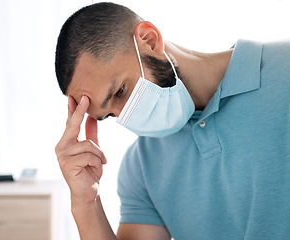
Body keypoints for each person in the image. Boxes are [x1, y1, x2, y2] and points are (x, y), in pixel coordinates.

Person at [54, 2, 290, 240]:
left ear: (149, 40)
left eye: (120, 92)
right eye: (110, 115)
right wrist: (86, 204)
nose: (126, 115)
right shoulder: (142, 166)